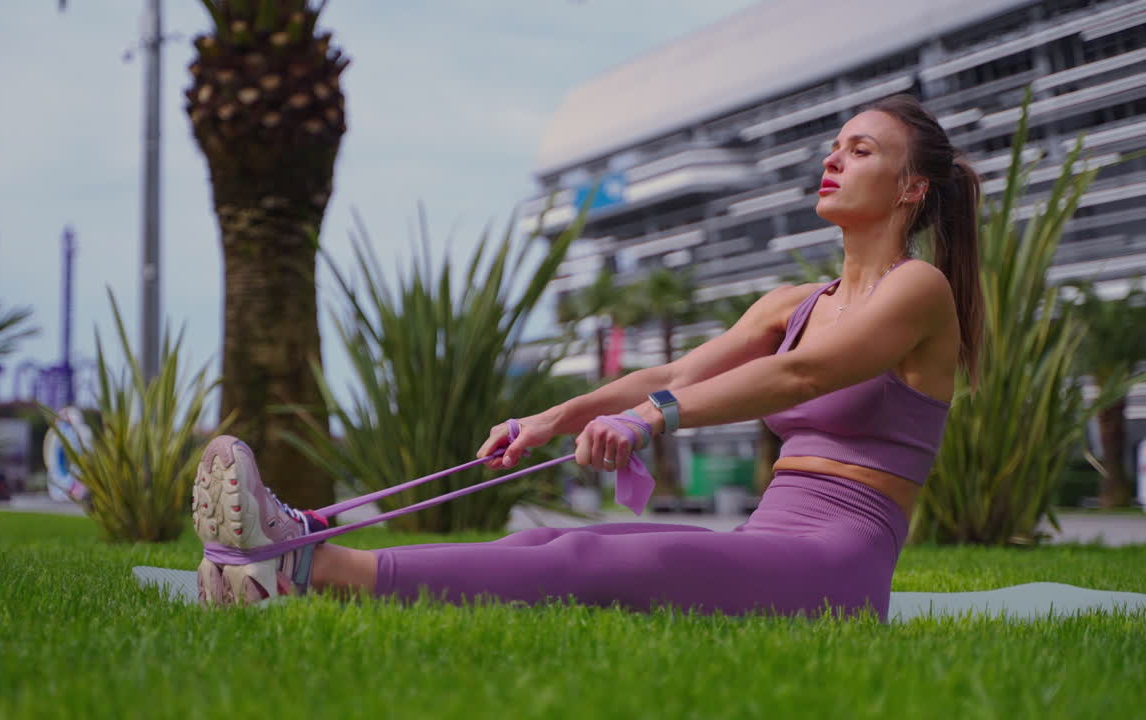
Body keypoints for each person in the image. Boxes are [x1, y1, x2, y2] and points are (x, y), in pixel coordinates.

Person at [192, 94, 982, 620]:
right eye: (834, 145)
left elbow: (802, 375)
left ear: (912, 188)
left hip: (836, 569)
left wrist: (649, 422)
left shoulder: (919, 290)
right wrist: (551, 418)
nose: (833, 159)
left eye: (862, 150)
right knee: (538, 543)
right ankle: (287, 550)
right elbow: (674, 375)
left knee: (589, 557)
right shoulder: (793, 304)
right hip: (766, 541)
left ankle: (311, 570)